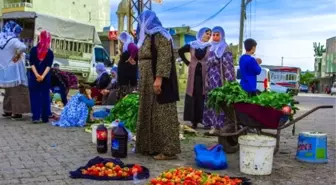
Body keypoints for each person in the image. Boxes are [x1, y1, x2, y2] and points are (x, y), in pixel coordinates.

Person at [135, 10, 181, 160]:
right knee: (149, 112)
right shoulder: (147, 36)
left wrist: (159, 79)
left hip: (157, 79)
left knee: (162, 114)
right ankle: (149, 146)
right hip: (146, 79)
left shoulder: (161, 34)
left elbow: (164, 57)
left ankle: (168, 150)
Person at [203, 26, 235, 135]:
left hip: (220, 80)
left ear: (222, 36)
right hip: (210, 79)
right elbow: (206, 64)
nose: (215, 37)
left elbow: (228, 66)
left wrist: (230, 83)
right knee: (211, 102)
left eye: (218, 35)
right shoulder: (210, 47)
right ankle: (212, 125)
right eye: (214, 35)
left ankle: (220, 125)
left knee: (220, 102)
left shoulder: (225, 48)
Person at [178, 27, 212, 129]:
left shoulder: (210, 47)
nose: (209, 36)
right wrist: (187, 62)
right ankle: (194, 121)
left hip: (204, 76)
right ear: (201, 34)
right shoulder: (192, 45)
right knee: (193, 96)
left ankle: (205, 120)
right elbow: (180, 51)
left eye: (210, 34)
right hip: (193, 76)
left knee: (203, 97)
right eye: (207, 33)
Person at [0, 21, 30, 120]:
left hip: (3, 70)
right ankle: (17, 112)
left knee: (8, 91)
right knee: (17, 90)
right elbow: (23, 47)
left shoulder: (1, 38)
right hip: (15, 70)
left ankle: (7, 110)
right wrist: (17, 55)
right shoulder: (13, 40)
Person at [29, 30, 54, 123]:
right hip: (45, 78)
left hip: (33, 77)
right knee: (44, 97)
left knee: (35, 97)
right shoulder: (50, 52)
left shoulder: (33, 50)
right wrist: (42, 76)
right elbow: (48, 65)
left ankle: (35, 117)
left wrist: (37, 75)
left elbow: (31, 64)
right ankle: (44, 117)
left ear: (40, 38)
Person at [116, 31, 138, 100]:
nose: (121, 43)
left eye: (121, 41)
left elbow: (135, 49)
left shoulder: (129, 45)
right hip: (124, 81)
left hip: (127, 82)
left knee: (126, 101)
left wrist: (131, 58)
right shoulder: (126, 47)